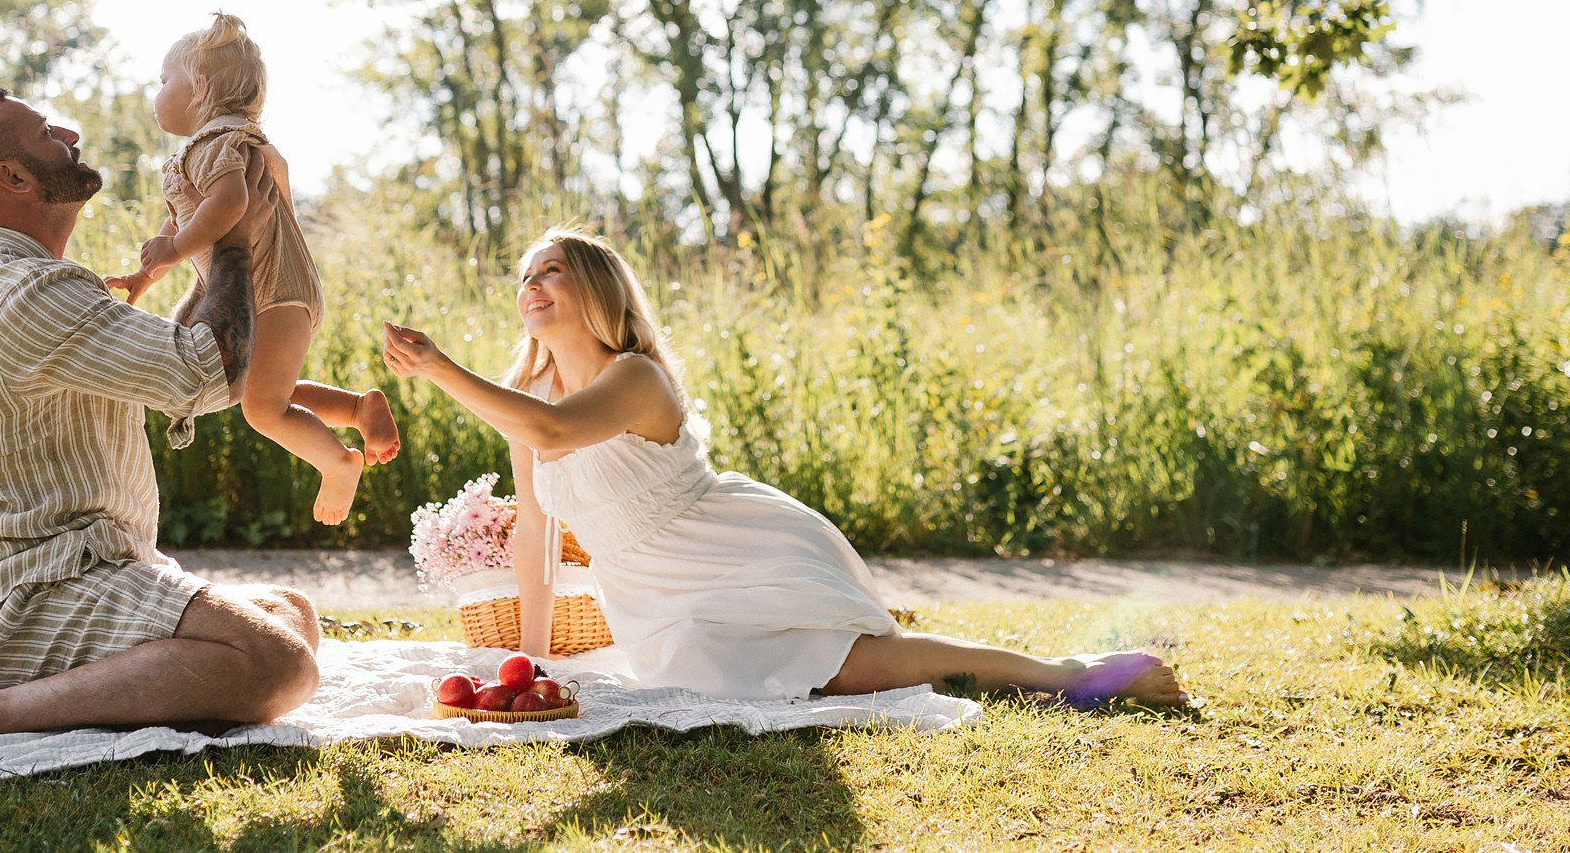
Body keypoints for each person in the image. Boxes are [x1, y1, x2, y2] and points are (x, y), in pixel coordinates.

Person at [380, 227, 1186, 708]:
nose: (531, 283)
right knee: (760, 679)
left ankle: (1066, 673)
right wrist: (530, 663)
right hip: (652, 595)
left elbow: (557, 429)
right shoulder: (524, 395)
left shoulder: (635, 376)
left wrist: (441, 367)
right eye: (525, 274)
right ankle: (1056, 671)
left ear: (595, 287)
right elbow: (534, 531)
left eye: (550, 268)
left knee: (857, 667)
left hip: (729, 548)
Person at [0, 88, 322, 759]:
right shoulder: (28, 292)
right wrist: (231, 239)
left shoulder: (12, 276)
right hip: (27, 603)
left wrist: (210, 247)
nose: (71, 135)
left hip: (80, 574)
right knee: (282, 665)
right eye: (47, 132)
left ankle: (127, 686)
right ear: (14, 177)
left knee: (293, 613)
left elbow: (177, 364)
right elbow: (209, 372)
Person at [107, 14, 398, 524]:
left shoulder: (217, 143)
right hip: (270, 290)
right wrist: (145, 276)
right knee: (261, 393)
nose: (157, 94)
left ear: (199, 88)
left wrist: (173, 250)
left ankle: (339, 464)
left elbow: (229, 204)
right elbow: (186, 220)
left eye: (164, 81)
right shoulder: (206, 150)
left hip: (275, 289)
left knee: (263, 408)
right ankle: (357, 409)